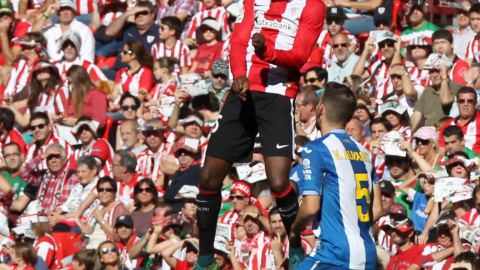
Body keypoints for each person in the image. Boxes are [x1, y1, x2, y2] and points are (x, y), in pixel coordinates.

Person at [195, 0, 325, 268]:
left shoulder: (313, 6)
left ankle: (296, 243)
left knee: (278, 182)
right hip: (242, 94)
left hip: (278, 96)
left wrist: (267, 51)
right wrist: (239, 74)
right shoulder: (253, 1)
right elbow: (238, 41)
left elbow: (300, 55)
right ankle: (205, 258)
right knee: (208, 177)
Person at [290, 82, 380, 269]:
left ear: (320, 110)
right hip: (367, 253)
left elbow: (310, 207)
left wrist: (293, 230)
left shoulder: (316, 149)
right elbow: (377, 209)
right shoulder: (366, 154)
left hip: (334, 253)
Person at [104, 1, 159, 79]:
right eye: (137, 13)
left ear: (152, 14)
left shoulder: (159, 32)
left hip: (142, 76)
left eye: (144, 13)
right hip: (119, 72)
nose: (140, 16)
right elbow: (109, 32)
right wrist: (127, 13)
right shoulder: (129, 28)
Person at [18, 143, 78, 215]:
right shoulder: (42, 175)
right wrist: (42, 156)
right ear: (46, 161)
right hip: (38, 219)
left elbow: (64, 203)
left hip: (56, 219)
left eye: (57, 157)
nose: (53, 160)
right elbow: (23, 173)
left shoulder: (71, 176)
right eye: (50, 157)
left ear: (64, 160)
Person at [48, 155, 100, 228]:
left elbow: (88, 212)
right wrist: (55, 216)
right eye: (78, 172)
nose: (80, 175)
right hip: (66, 219)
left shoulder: (99, 187)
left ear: (94, 170)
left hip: (82, 224)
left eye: (83, 171)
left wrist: (62, 217)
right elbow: (66, 205)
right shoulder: (77, 187)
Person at [81, 177, 129, 249]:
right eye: (101, 190)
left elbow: (117, 237)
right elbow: (84, 238)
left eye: (108, 190)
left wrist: (101, 219)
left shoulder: (121, 210)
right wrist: (84, 232)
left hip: (107, 251)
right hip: (89, 249)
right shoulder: (95, 209)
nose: (104, 192)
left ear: (115, 192)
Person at [63, 65, 108, 130]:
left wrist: (77, 122)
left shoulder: (97, 94)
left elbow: (100, 122)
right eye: (69, 83)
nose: (71, 86)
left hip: (87, 132)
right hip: (68, 130)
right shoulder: (72, 96)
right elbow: (66, 116)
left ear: (81, 81)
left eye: (73, 83)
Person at [438, 87, 480, 154]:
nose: (465, 104)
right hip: (452, 162)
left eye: (470, 101)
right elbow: (441, 153)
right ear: (457, 104)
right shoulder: (448, 124)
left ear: (475, 104)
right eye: (462, 101)